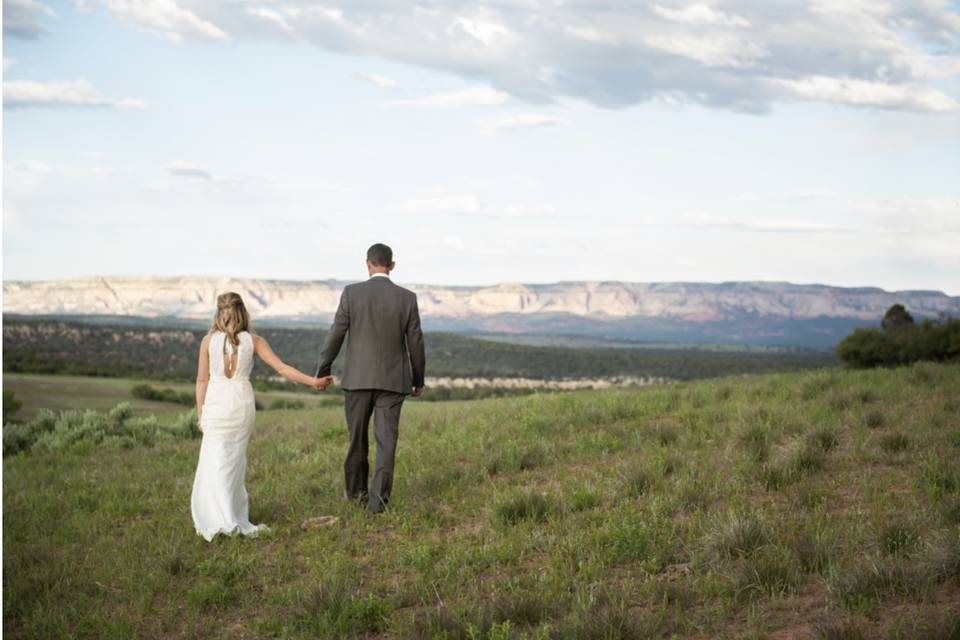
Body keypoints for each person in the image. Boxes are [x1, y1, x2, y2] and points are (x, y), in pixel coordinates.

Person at [191, 292, 332, 541]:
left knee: (215, 461)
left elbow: (202, 380)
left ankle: (218, 518)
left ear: (219, 313)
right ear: (243, 312)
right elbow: (282, 368)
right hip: (241, 406)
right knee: (234, 462)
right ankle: (230, 516)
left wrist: (201, 413)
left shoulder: (207, 342)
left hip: (216, 406)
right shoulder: (254, 341)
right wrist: (313, 381)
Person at [316, 243, 426, 513]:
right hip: (393, 381)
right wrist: (418, 379)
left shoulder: (352, 294)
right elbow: (416, 343)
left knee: (357, 440)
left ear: (368, 264)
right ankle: (378, 504)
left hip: (357, 380)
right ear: (392, 265)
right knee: (386, 442)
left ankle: (356, 496)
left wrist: (323, 368)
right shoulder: (407, 298)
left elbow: (336, 334)